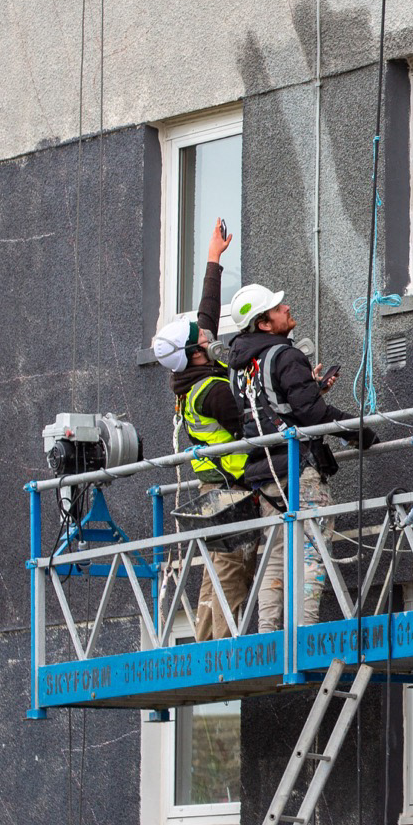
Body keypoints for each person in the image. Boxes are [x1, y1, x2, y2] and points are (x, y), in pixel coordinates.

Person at [227, 283, 378, 632]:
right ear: (264, 323)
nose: (287, 309)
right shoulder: (285, 355)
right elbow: (312, 416)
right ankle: (305, 633)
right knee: (310, 551)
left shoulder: (240, 368)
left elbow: (267, 411)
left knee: (275, 555)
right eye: (278, 309)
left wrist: (313, 391)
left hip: (265, 477)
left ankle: (268, 635)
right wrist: (359, 432)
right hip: (299, 472)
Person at [151, 218, 256, 640]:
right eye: (204, 337)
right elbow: (249, 422)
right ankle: (218, 644)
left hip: (213, 486)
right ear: (196, 354)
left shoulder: (191, 374)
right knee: (230, 565)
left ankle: (206, 636)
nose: (210, 333)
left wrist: (214, 258)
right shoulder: (211, 390)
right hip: (228, 486)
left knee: (218, 564)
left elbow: (205, 314)